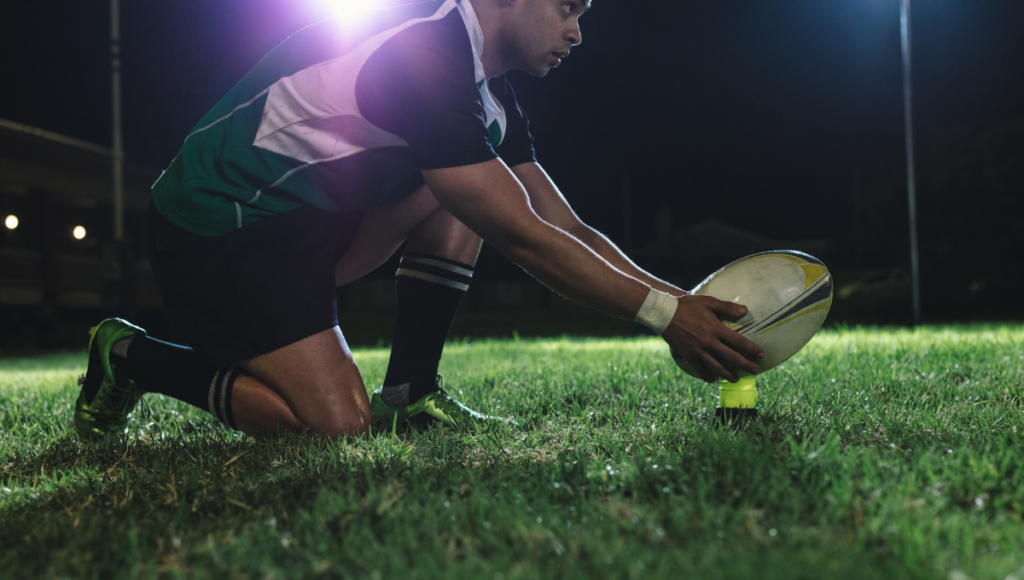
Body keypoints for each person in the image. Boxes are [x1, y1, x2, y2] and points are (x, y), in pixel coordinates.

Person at [72, 0, 764, 441]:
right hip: (218, 230)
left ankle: (410, 392)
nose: (577, 32)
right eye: (567, 7)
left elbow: (565, 226)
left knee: (473, 187)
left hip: (308, 223)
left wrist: (683, 305)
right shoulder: (423, 55)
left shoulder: (487, 95)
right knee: (334, 427)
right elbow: (525, 237)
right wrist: (665, 320)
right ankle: (133, 357)